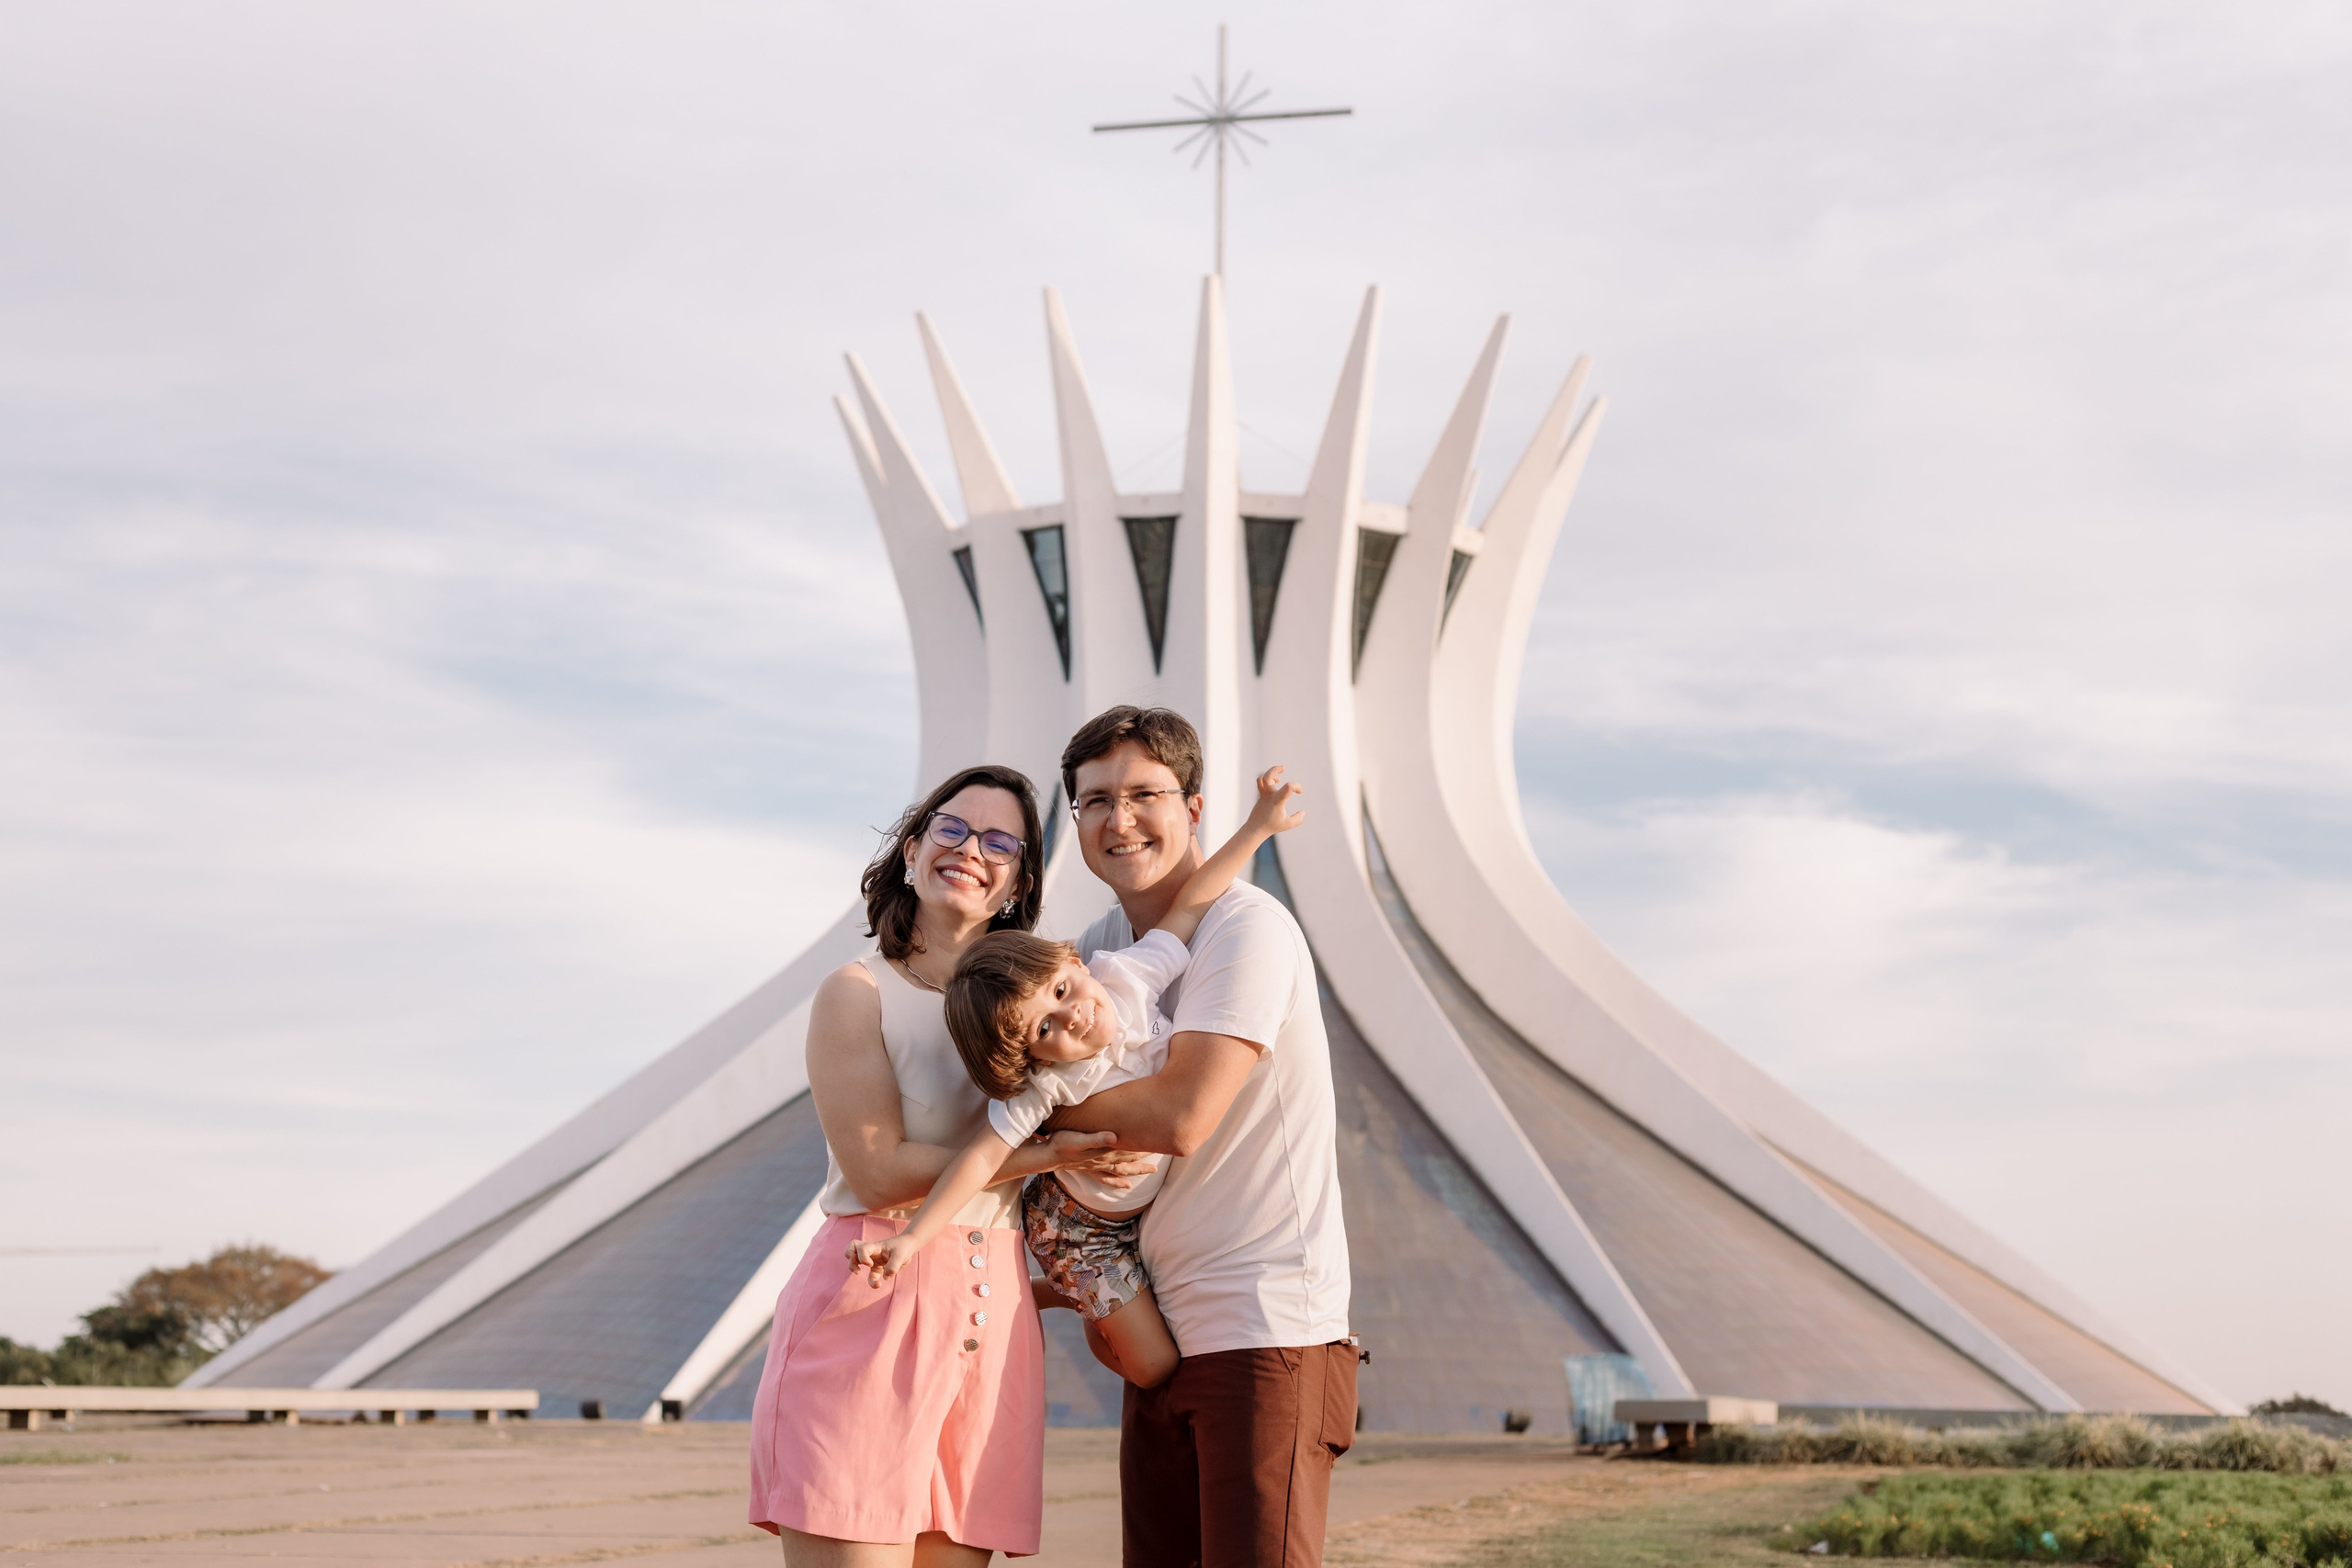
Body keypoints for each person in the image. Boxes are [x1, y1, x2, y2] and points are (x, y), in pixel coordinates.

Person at [747, 763, 1158, 1567]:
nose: (974, 849)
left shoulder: (1060, 998)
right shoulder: (858, 991)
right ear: (911, 850)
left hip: (992, 1314)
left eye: (1001, 841)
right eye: (953, 829)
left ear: (1018, 880)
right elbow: (876, 1170)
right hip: (873, 1299)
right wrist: (1048, 1153)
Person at [843, 766, 1308, 1393]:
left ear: (1072, 959)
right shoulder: (1048, 1085)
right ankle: (1072, 1293)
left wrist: (1259, 828)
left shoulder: (1129, 975)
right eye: (1045, 1030)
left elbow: (1196, 898)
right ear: (1029, 1058)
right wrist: (912, 1242)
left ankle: (1070, 1294)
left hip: (1145, 1213)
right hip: (1079, 1230)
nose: (1073, 1016)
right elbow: (979, 1160)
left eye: (1063, 990)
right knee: (1154, 1367)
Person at [1045, 708, 1358, 1568]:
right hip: (1159, 1331)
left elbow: (1184, 1115)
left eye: (1145, 793)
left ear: (1194, 806)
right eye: (1095, 800)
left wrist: (1033, 1127)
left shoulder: (1247, 928)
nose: (1120, 820)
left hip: (1264, 1328)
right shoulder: (1099, 951)